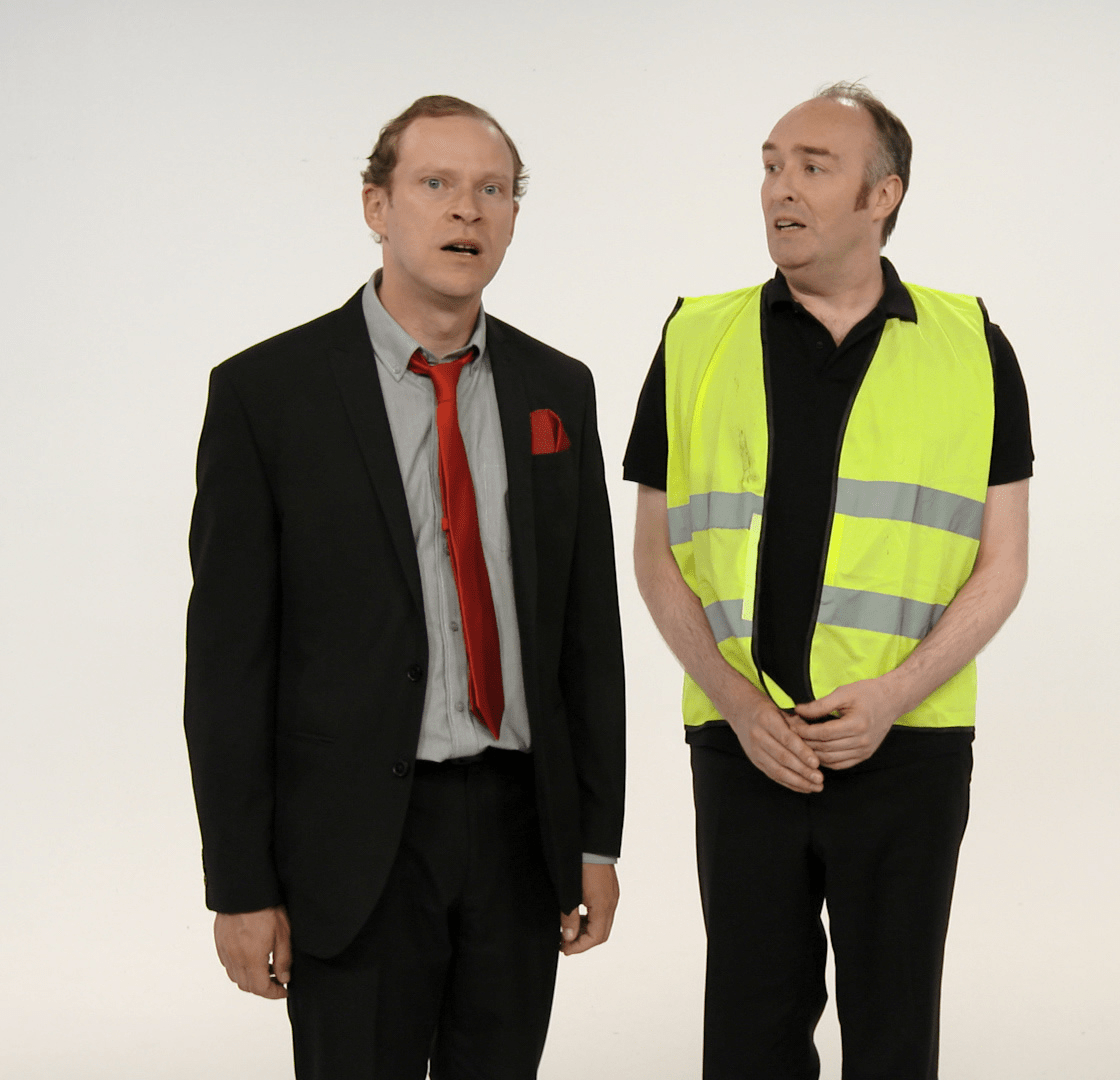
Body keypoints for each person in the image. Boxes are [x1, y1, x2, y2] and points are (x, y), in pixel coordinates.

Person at [183, 95, 625, 1080]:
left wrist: (595, 837)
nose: (467, 210)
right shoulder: (267, 395)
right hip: (352, 847)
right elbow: (227, 666)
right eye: (436, 184)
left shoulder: (559, 388)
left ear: (514, 216)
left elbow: (586, 634)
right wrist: (239, 884)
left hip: (519, 833)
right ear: (376, 206)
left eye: (492, 189)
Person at [624, 82, 1032, 1080]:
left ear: (881, 195)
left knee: (894, 1040)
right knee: (749, 1041)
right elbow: (655, 554)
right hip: (743, 747)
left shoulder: (973, 344)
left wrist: (892, 696)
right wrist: (739, 705)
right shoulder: (694, 335)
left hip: (907, 747)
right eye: (771, 165)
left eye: (814, 167)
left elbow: (1004, 563)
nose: (781, 188)